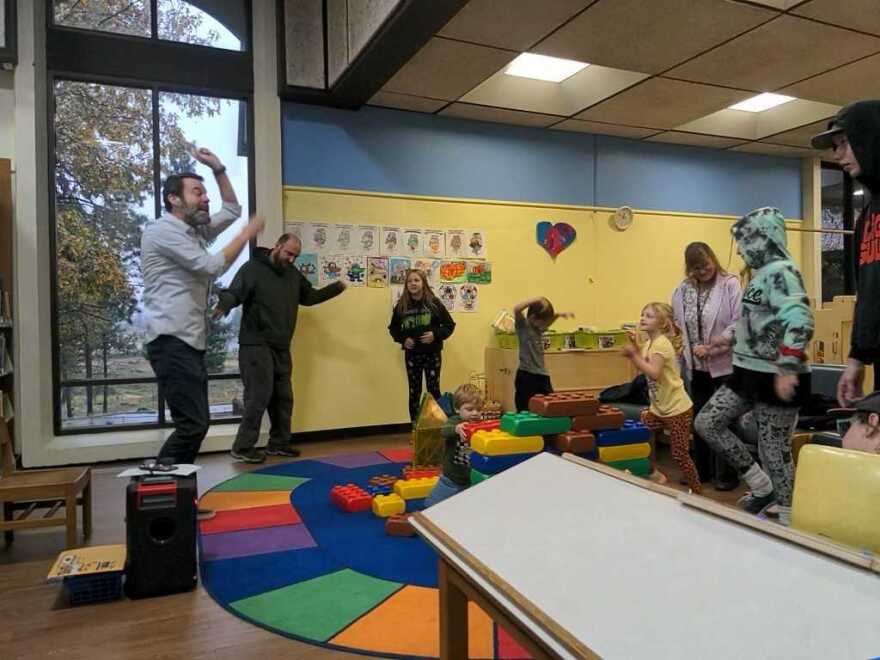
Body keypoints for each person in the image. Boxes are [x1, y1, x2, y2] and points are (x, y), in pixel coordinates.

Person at [141, 146, 264, 466]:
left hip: (186, 341)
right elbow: (211, 266)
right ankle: (155, 495)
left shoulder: (193, 230)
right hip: (170, 341)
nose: (206, 198)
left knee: (195, 425)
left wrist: (219, 168)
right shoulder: (163, 232)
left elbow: (233, 209)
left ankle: (177, 501)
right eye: (197, 192)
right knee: (192, 425)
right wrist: (246, 235)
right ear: (174, 200)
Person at [695, 207, 814, 526]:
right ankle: (762, 487)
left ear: (767, 239)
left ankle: (790, 516)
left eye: (748, 241)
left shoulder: (782, 272)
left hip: (777, 375)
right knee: (708, 422)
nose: (742, 249)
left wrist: (788, 366)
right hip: (748, 373)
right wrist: (727, 340)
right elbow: (756, 321)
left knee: (774, 451)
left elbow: (800, 320)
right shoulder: (760, 275)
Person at [215, 233, 346, 463]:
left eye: (295, 256)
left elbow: (310, 297)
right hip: (255, 344)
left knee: (284, 398)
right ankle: (243, 447)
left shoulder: (292, 274)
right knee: (258, 396)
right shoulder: (253, 268)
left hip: (281, 346)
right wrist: (223, 304)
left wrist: (337, 287)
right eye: (288, 253)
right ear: (276, 246)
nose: (292, 259)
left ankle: (279, 443)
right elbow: (235, 292)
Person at [810, 100, 880, 407]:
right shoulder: (867, 216)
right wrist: (855, 358)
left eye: (845, 143)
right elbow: (868, 296)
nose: (838, 156)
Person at [671, 242, 742, 490]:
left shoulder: (730, 283)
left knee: (722, 420)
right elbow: (678, 323)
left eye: (706, 266)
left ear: (713, 258)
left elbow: (738, 323)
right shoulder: (683, 290)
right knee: (699, 418)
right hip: (696, 367)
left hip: (724, 364)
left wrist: (712, 348)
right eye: (697, 269)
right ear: (689, 269)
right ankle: (701, 470)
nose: (703, 272)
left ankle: (727, 474)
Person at [622, 303, 701, 493]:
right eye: (642, 314)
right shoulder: (650, 342)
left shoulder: (661, 345)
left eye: (648, 316)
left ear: (662, 322)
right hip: (658, 409)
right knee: (639, 434)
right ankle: (653, 473)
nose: (642, 318)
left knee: (679, 454)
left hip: (677, 409)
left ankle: (697, 491)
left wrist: (633, 356)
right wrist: (636, 345)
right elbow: (646, 357)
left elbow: (654, 372)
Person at [388, 269, 456, 422]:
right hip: (412, 355)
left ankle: (437, 427)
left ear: (423, 283)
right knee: (414, 392)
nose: (413, 283)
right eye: (410, 281)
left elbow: (449, 325)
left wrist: (435, 334)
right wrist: (403, 339)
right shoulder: (401, 305)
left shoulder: (434, 303)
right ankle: (415, 428)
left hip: (432, 354)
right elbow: (393, 328)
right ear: (406, 284)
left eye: (416, 280)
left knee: (433, 390)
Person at [423, 383, 484, 506]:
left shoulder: (480, 424)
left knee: (464, 505)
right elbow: (444, 430)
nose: (475, 413)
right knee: (431, 505)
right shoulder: (455, 421)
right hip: (451, 477)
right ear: (457, 409)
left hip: (470, 477)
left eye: (479, 409)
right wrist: (456, 429)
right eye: (469, 409)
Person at [512, 297, 573, 411]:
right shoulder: (523, 326)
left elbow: (547, 321)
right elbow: (516, 309)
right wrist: (536, 300)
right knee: (525, 407)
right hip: (526, 375)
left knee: (549, 405)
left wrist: (558, 316)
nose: (545, 325)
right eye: (544, 322)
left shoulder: (538, 329)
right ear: (533, 317)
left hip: (542, 375)